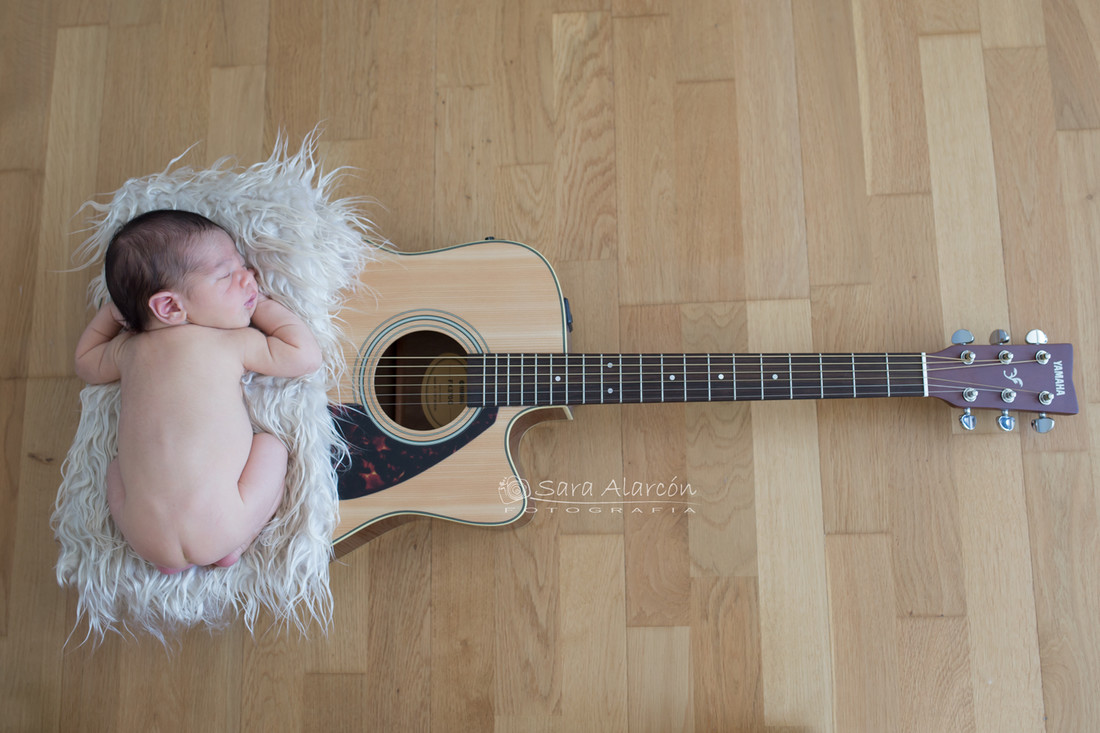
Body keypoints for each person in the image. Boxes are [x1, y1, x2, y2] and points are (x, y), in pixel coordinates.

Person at [74, 210, 322, 574]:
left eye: (243, 267)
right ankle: (238, 543)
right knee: (273, 447)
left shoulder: (127, 350)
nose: (249, 278)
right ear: (170, 307)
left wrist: (114, 312)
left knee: (114, 469)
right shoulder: (229, 342)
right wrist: (262, 306)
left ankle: (169, 560)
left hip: (143, 536)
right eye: (226, 276)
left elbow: (85, 362)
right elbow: (305, 356)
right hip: (223, 524)